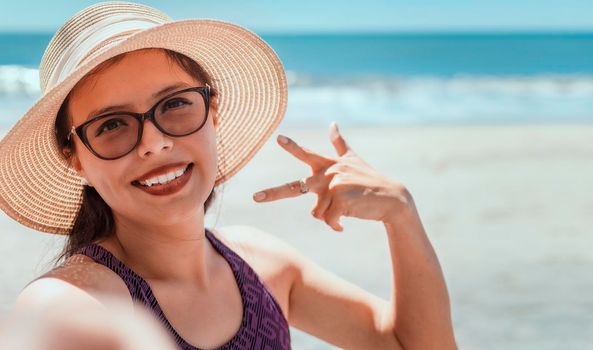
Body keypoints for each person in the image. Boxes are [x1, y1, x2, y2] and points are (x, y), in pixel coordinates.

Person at [0, 2, 457, 349]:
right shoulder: (70, 310)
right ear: (75, 158)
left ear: (212, 112)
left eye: (175, 104)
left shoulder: (262, 265)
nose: (154, 142)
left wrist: (401, 215)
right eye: (112, 125)